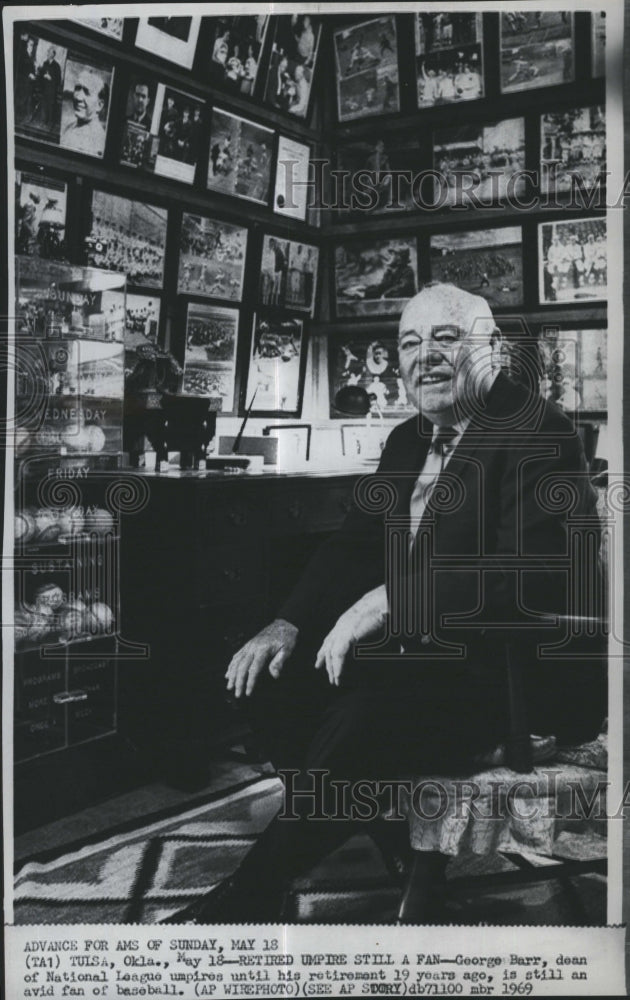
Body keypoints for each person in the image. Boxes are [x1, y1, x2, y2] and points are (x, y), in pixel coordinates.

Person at [167, 282, 605, 924]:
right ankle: (393, 842)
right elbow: (351, 544)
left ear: (493, 353)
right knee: (267, 680)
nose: (424, 355)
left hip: (513, 671)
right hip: (421, 660)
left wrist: (394, 600)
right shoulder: (406, 440)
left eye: (446, 338)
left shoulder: (541, 432)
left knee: (363, 716)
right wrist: (287, 620)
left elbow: (534, 573)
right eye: (409, 342)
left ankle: (251, 892)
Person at [61, 65, 108, 155]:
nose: (78, 97)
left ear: (99, 105)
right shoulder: (69, 127)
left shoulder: (98, 142)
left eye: (87, 92)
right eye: (77, 89)